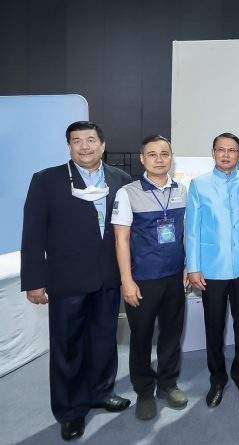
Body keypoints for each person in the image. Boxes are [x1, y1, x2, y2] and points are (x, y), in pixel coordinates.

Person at [20, 121, 132, 441]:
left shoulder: (120, 180)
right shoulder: (47, 180)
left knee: (104, 340)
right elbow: (33, 234)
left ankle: (101, 392)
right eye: (77, 141)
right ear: (69, 146)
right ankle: (70, 410)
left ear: (103, 145)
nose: (85, 146)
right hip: (67, 279)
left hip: (107, 278)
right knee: (68, 346)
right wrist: (34, 280)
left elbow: (127, 232)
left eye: (91, 140)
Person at [112, 135, 188, 421]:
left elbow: (186, 233)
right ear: (142, 159)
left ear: (171, 158)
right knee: (142, 336)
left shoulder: (182, 190)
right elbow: (121, 240)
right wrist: (126, 281)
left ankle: (168, 384)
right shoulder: (128, 193)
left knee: (171, 334)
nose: (159, 159)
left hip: (174, 277)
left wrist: (187, 267)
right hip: (142, 279)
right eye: (152, 154)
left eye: (164, 154)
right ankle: (144, 390)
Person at [185, 133, 239, 407]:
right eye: (220, 150)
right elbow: (192, 230)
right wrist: (193, 267)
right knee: (213, 327)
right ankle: (217, 379)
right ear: (213, 152)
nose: (226, 155)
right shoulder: (199, 185)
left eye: (232, 150)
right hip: (211, 270)